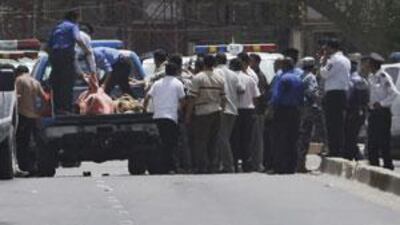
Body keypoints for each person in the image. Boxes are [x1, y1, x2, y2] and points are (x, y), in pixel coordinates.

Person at [186, 55, 226, 174]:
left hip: (202, 112)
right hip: (216, 111)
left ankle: (202, 166)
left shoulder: (198, 78)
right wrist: (222, 111)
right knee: (213, 140)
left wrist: (188, 115)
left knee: (201, 140)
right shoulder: (220, 79)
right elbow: (224, 98)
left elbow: (192, 98)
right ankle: (212, 166)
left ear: (203, 64)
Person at [143, 62, 186, 174]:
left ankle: (162, 166)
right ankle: (171, 167)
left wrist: (144, 109)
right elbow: (182, 100)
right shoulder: (178, 83)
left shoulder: (157, 83)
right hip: (171, 117)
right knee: (171, 143)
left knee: (161, 142)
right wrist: (181, 111)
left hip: (158, 117)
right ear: (176, 71)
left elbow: (147, 96)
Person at [47, 10, 90, 114]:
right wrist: (86, 50)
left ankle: (57, 108)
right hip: (66, 55)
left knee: (56, 83)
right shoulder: (72, 26)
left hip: (55, 56)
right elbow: (77, 38)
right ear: (74, 18)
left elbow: (48, 44)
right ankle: (66, 109)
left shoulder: (57, 27)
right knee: (67, 82)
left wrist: (52, 57)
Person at [270, 57, 304, 174]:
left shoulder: (282, 78)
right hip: (295, 111)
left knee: (280, 138)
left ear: (283, 66)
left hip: (282, 111)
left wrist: (271, 109)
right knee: (293, 139)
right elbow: (301, 98)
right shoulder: (298, 79)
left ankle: (280, 166)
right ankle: (291, 166)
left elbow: (276, 96)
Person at [320, 38, 351, 157]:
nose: (325, 50)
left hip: (334, 94)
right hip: (342, 93)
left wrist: (323, 61)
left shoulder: (334, 60)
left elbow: (324, 73)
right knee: (339, 123)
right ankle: (338, 149)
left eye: (326, 48)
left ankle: (334, 150)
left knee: (332, 124)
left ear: (331, 48)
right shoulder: (345, 59)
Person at [15, 65, 48, 176]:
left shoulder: (19, 80)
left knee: (23, 143)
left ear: (18, 72)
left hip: (23, 115)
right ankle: (36, 167)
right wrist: (40, 112)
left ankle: (26, 167)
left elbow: (16, 96)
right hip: (35, 117)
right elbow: (45, 98)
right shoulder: (35, 82)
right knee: (35, 142)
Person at [367, 53, 397, 170]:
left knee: (384, 140)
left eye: (369, 63)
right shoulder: (371, 77)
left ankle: (388, 165)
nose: (367, 65)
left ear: (374, 64)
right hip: (373, 112)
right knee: (372, 140)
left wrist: (382, 103)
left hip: (383, 113)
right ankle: (374, 165)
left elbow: (394, 94)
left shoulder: (384, 76)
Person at [215, 53, 244, 173]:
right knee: (224, 137)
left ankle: (228, 165)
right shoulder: (233, 74)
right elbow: (241, 89)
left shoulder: (215, 72)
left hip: (220, 108)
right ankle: (222, 164)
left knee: (222, 138)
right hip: (233, 109)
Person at [231, 58, 261, 172]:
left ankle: (234, 163)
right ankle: (246, 164)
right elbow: (256, 97)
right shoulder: (250, 79)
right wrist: (255, 112)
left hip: (235, 111)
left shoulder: (231, 79)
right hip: (248, 111)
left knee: (234, 138)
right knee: (247, 139)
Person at [344, 56, 369, 161]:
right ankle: (352, 154)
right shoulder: (361, 80)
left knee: (350, 133)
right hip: (359, 111)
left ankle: (355, 155)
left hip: (353, 111)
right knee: (351, 134)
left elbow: (348, 96)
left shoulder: (353, 80)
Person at [296, 57, 319, 173]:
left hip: (299, 109)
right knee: (305, 136)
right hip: (307, 109)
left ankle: (298, 163)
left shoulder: (299, 76)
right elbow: (312, 92)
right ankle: (301, 164)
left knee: (300, 136)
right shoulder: (311, 77)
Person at [249, 53, 269, 172]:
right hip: (254, 111)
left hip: (258, 111)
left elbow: (260, 94)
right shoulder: (253, 74)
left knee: (258, 139)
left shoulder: (259, 76)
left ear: (256, 62)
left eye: (251, 61)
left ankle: (258, 163)